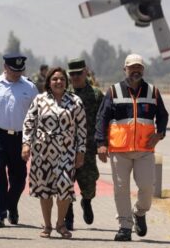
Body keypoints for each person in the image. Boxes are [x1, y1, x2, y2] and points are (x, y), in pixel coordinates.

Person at [95, 53, 169, 242]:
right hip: (119, 150)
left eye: (139, 67)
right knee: (121, 189)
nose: (135, 70)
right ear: (125, 69)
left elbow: (163, 115)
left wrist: (159, 134)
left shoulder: (153, 92)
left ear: (143, 70)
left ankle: (139, 212)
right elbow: (102, 118)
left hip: (144, 150)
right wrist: (101, 143)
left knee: (146, 187)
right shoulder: (114, 91)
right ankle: (125, 226)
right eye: (132, 67)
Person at [22, 67, 87, 239]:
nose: (58, 82)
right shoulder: (39, 99)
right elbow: (29, 122)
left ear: (66, 82)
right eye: (55, 79)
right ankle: (48, 225)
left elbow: (81, 129)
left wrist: (81, 151)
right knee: (45, 189)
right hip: (42, 152)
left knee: (65, 186)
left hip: (66, 151)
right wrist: (26, 144)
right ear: (49, 82)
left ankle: (61, 224)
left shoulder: (75, 101)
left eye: (62, 79)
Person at [0, 53, 39, 228]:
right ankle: (0, 214)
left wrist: (32, 140)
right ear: (5, 67)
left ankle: (12, 204)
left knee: (19, 178)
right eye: (13, 70)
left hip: (21, 138)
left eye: (20, 70)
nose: (17, 74)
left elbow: (36, 115)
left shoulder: (30, 87)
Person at [64, 58, 104, 231]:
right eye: (72, 74)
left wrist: (103, 142)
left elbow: (103, 119)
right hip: (66, 148)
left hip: (87, 148)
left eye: (78, 73)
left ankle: (86, 201)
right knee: (65, 183)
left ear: (85, 72)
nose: (75, 77)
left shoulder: (95, 94)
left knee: (89, 184)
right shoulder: (64, 94)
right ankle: (68, 216)